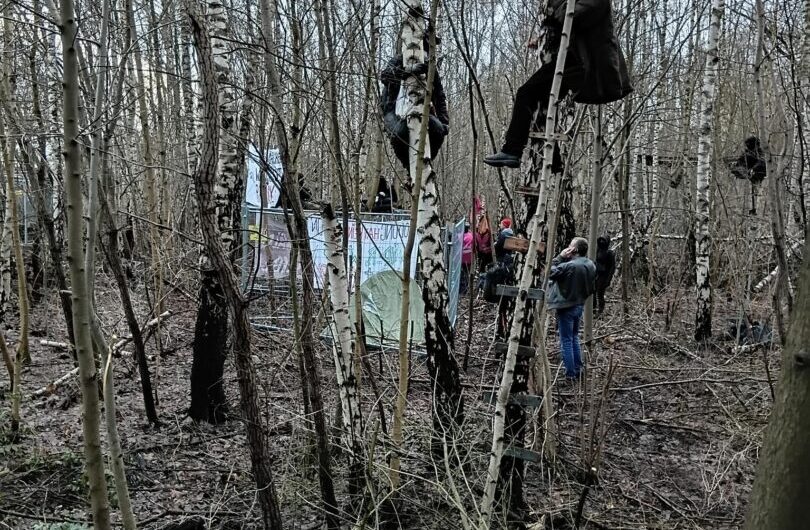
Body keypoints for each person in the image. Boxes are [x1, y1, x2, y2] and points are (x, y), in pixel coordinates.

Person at [483, 0, 632, 169]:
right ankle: (552, 160)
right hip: (573, 61)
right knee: (542, 101)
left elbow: (575, 15)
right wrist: (542, 40)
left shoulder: (585, 4)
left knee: (526, 93)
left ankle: (513, 150)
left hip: (581, 64)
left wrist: (553, 11)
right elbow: (567, 25)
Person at [380, 34, 450, 172]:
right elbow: (385, 76)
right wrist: (408, 71)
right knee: (399, 133)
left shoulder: (430, 67)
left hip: (423, 112)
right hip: (394, 111)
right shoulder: (399, 60)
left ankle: (426, 166)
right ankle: (409, 170)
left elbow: (440, 96)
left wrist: (444, 122)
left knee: (438, 130)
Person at [546, 237, 596, 379]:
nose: (568, 246)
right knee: (574, 337)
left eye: (570, 245)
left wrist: (560, 257)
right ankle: (578, 368)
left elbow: (549, 272)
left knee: (566, 340)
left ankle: (570, 374)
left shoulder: (570, 266)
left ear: (574, 249)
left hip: (566, 306)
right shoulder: (590, 264)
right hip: (579, 304)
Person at [594, 235, 616, 316]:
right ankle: (593, 310)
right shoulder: (596, 250)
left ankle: (600, 311)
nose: (602, 242)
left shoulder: (610, 253)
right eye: (601, 240)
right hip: (595, 275)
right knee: (593, 293)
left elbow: (612, 268)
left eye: (604, 241)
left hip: (604, 276)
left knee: (600, 294)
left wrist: (608, 280)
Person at [461, 224, 473, 294]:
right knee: (467, 271)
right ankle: (467, 286)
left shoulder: (460, 236)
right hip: (469, 256)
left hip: (462, 257)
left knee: (463, 272)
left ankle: (463, 288)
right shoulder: (471, 235)